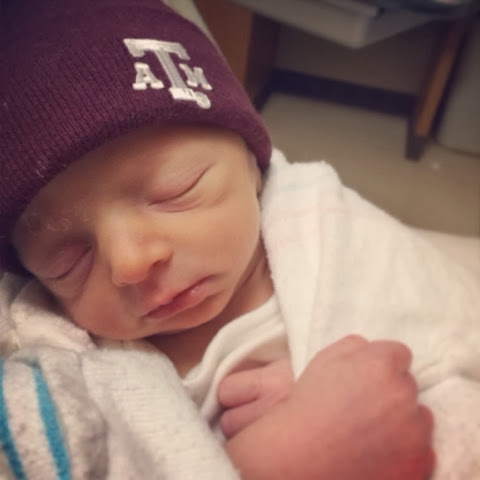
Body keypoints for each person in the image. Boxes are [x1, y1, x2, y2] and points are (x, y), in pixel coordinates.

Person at [0, 0, 478, 478]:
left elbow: (462, 352)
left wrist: (385, 406)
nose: (129, 262)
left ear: (253, 163)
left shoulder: (335, 233)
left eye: (176, 191)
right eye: (67, 262)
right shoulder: (63, 367)